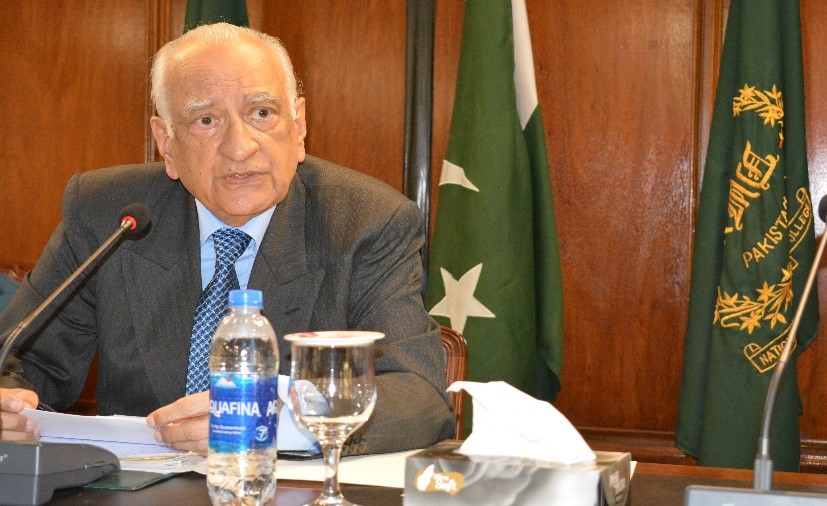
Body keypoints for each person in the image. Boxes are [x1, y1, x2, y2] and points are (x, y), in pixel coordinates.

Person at [0, 23, 454, 455]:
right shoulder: (108, 214)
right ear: (166, 143)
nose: (240, 146)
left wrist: (273, 423)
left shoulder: (367, 222)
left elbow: (418, 399)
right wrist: (9, 404)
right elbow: (20, 362)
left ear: (298, 126)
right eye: (206, 120)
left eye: (262, 113)